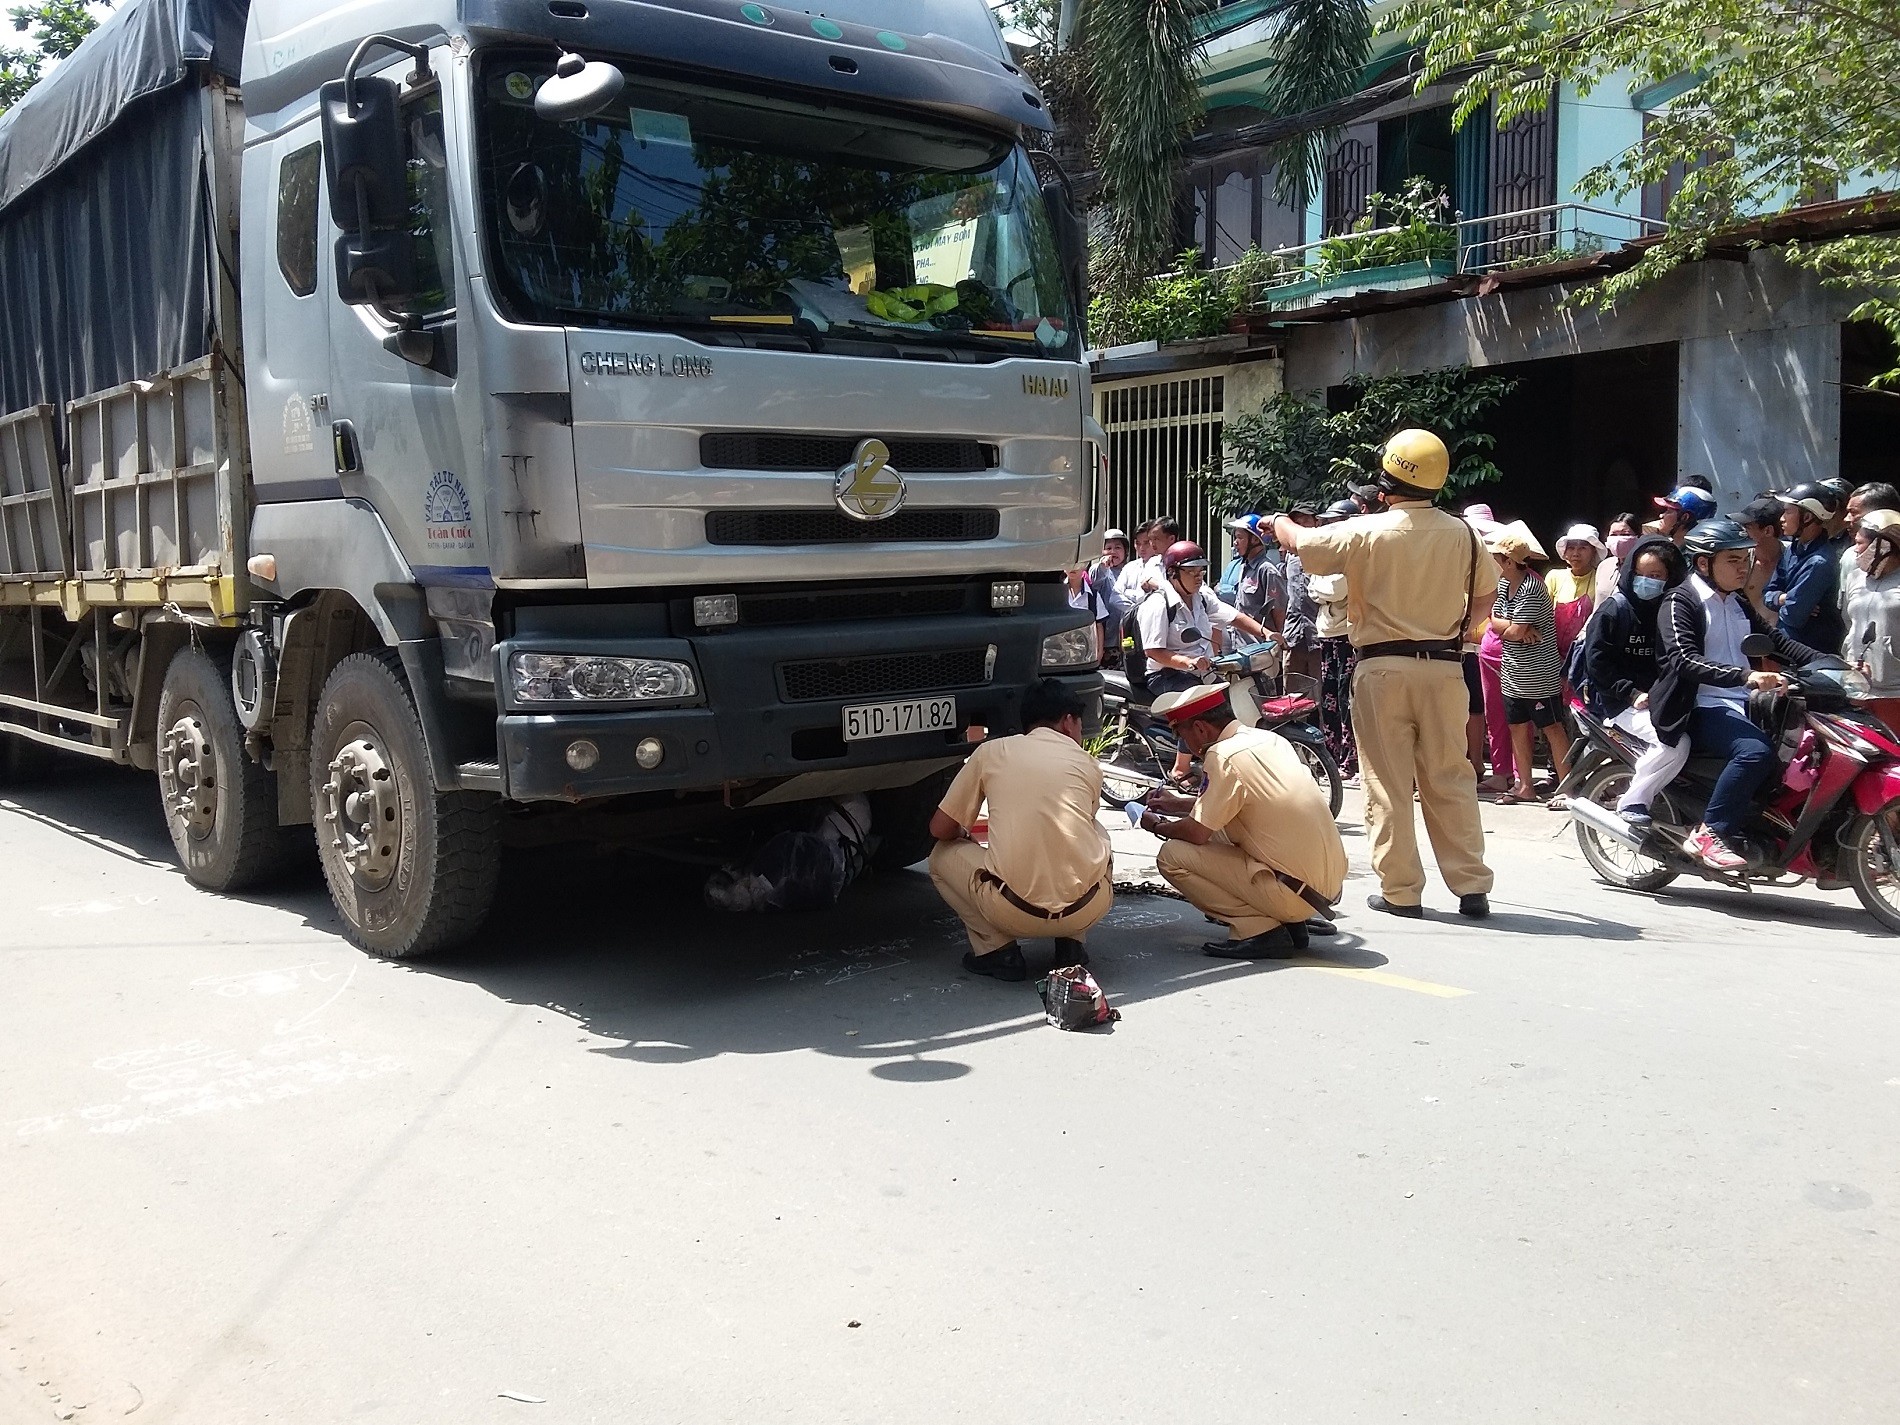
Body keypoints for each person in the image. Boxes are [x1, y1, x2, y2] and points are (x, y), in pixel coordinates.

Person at [1271, 429, 1496, 919]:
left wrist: (1280, 521)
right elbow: (1483, 600)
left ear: (1388, 482)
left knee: (1387, 780)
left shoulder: (1366, 530)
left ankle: (1401, 892)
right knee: (1450, 776)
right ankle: (1472, 886)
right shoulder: (1466, 535)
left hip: (1381, 668)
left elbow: (1304, 544)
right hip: (1445, 667)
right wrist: (1461, 632)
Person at [1654, 518, 1822, 871]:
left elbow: (1778, 642)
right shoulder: (1680, 601)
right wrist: (1746, 676)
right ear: (1703, 563)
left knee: (1799, 751)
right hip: (1697, 705)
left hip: (1740, 703)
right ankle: (1710, 832)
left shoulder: (1737, 601)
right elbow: (1684, 660)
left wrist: (1830, 663)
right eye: (1733, 560)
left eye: (1745, 559)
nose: (1743, 567)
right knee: (1754, 753)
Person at [1139, 684, 1347, 957]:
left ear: (1201, 729)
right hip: (1323, 889)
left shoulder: (1222, 755)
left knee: (1172, 856)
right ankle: (1288, 919)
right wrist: (1176, 804)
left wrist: (1157, 825)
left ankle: (1260, 928)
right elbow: (1246, 804)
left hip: (1294, 894)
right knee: (1224, 832)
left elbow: (1197, 832)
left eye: (1182, 735)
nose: (1185, 745)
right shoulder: (1267, 740)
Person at [927, 679, 1114, 981]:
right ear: (1068, 722)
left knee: (940, 857)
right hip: (1086, 908)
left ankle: (997, 951)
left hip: (1012, 911)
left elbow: (940, 828)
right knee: (1094, 831)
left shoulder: (991, 752)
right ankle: (1072, 944)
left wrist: (965, 838)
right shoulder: (1089, 763)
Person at [1580, 536, 1692, 831]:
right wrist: (1631, 694)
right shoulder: (1613, 611)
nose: (1647, 582)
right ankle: (1632, 800)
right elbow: (1597, 665)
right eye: (1641, 575)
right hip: (1619, 703)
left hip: (1662, 698)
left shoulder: (1670, 611)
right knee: (1674, 744)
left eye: (1656, 576)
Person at [1136, 539, 1268, 783]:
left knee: (1227, 702)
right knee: (1198, 704)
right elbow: (1153, 651)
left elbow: (1233, 616)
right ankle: (1180, 769)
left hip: (1199, 669)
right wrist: (1187, 662)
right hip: (1165, 673)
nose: (1198, 577)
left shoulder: (1202, 598)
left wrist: (1266, 633)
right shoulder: (1158, 603)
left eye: (1201, 571)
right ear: (1174, 574)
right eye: (1191, 572)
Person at [1487, 522, 1572, 804]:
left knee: (1552, 729)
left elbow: (1511, 631)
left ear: (1509, 562)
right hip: (1512, 671)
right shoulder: (1503, 584)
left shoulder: (1532, 589)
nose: (1495, 563)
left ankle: (1567, 788)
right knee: (1517, 727)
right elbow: (1496, 619)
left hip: (1539, 675)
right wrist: (1512, 628)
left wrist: (1511, 628)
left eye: (1498, 558)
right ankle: (1525, 786)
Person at [1307, 499, 1359, 780]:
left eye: (1333, 521)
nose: (1328, 526)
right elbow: (1313, 589)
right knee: (1329, 700)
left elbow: (1336, 589)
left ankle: (1351, 760)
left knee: (1346, 698)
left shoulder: (1353, 552)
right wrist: (1319, 583)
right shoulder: (1328, 554)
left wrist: (1319, 583)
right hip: (1327, 632)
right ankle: (1332, 756)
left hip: (1348, 635)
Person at [1760, 482, 1845, 652]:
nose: (1782, 518)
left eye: (1788, 511)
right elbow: (1767, 594)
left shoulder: (1819, 562)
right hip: (1789, 648)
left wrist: (1786, 602)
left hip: (1810, 653)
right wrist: (1786, 598)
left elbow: (1792, 616)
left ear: (1807, 517)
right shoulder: (1793, 548)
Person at [1464, 503, 1512, 791]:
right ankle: (1474, 763)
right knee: (1472, 708)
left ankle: (1493, 767)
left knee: (1489, 709)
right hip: (1467, 644)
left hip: (1494, 643)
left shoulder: (1502, 562)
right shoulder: (1461, 556)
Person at [1843, 508, 1900, 733]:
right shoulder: (1855, 577)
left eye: (1861, 544)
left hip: (1894, 691)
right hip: (1855, 686)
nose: (1855, 551)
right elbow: (1849, 621)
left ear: (1884, 545)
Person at [1217, 512, 1286, 647]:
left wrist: (1276, 643)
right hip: (1239, 646)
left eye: (1240, 538)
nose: (1235, 543)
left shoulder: (1267, 570)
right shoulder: (1243, 566)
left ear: (1254, 540)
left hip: (1260, 650)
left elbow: (1279, 612)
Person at [1546, 524, 1606, 665]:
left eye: (1583, 548)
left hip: (1584, 656)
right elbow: (1543, 616)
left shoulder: (1601, 579)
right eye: (1571, 548)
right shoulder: (1554, 576)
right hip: (1550, 656)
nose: (1576, 553)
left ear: (1593, 551)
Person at [1280, 503, 1322, 681]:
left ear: (1316, 522)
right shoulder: (1288, 555)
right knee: (1292, 696)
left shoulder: (1324, 551)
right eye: (1297, 522)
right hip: (1294, 634)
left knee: (1321, 695)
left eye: (1306, 520)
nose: (1302, 526)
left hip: (1318, 634)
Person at [1648, 486, 1717, 543]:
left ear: (1685, 517)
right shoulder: (1666, 548)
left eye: (1669, 511)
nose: (1661, 515)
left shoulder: (1691, 557)